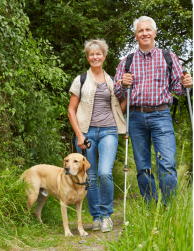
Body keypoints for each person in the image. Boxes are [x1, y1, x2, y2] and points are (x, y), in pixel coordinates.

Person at [114, 16, 193, 204]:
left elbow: (179, 90)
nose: (145, 33)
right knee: (142, 167)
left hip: (161, 115)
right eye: (140, 31)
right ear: (136, 35)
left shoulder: (168, 57)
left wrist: (187, 84)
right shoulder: (127, 61)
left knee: (166, 164)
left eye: (148, 30)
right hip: (135, 116)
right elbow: (117, 93)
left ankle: (168, 208)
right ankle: (151, 205)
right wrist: (123, 85)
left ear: (155, 33)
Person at [68, 39, 126, 232]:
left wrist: (127, 96)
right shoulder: (81, 80)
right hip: (86, 132)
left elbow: (119, 108)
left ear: (104, 56)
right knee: (89, 176)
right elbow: (71, 110)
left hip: (109, 130)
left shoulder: (112, 81)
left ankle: (107, 216)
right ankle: (96, 217)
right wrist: (79, 135)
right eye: (91, 54)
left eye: (98, 53)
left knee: (104, 173)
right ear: (87, 57)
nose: (95, 57)